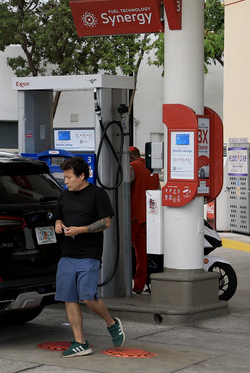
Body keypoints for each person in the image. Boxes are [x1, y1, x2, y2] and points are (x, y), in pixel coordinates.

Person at [53, 156, 125, 358]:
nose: (65, 181)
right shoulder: (65, 195)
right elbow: (58, 215)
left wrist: (80, 230)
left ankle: (112, 323)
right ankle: (80, 343)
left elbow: (105, 222)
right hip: (67, 254)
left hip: (89, 254)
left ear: (82, 175)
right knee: (69, 297)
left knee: (88, 296)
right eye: (64, 177)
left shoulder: (97, 194)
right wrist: (58, 223)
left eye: (68, 177)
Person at [129, 146, 160, 294]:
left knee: (122, 252)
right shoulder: (153, 170)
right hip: (149, 217)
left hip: (133, 217)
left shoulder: (131, 167)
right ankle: (138, 287)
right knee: (142, 256)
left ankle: (121, 286)